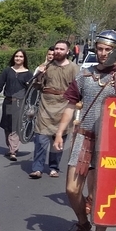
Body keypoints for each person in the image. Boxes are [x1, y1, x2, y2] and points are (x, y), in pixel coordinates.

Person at [54, 30, 116, 231]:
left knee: (103, 193)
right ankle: (83, 223)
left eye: (107, 50)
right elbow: (70, 105)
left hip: (111, 144)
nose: (102, 53)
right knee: (72, 189)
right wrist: (60, 132)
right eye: (100, 49)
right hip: (84, 137)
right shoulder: (84, 76)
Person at [30, 41, 79, 179]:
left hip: (64, 107)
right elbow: (37, 86)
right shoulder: (47, 66)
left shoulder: (74, 68)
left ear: (67, 51)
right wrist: (40, 75)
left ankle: (53, 167)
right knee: (40, 139)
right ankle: (37, 168)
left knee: (58, 141)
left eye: (61, 49)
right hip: (45, 106)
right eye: (56, 48)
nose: (58, 51)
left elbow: (78, 90)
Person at [0, 49, 33, 161]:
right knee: (7, 126)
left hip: (20, 103)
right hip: (8, 102)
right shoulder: (7, 71)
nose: (18, 58)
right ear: (13, 58)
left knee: (15, 126)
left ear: (24, 59)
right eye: (16, 56)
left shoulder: (28, 74)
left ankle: (13, 150)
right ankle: (11, 147)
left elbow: (31, 92)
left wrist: (31, 106)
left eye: (21, 56)